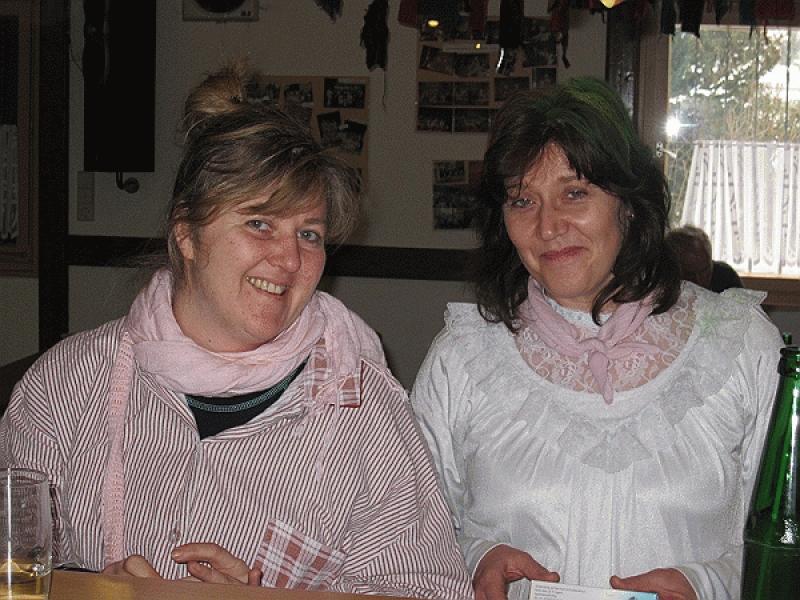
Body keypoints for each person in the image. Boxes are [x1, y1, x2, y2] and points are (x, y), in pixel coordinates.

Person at [0, 62, 472, 599]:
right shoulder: (67, 385)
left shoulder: (362, 410)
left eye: (309, 234)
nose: (290, 260)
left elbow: (427, 589)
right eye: (259, 223)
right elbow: (13, 560)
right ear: (187, 234)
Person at [410, 78, 783, 600]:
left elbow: (786, 541)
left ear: (628, 203)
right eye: (523, 201)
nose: (548, 226)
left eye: (575, 193)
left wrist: (709, 585)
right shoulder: (463, 359)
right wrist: (476, 559)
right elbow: (405, 534)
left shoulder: (740, 346)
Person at [665, 225, 743, 292]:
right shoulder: (664, 285)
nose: (699, 281)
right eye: (690, 275)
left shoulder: (726, 276)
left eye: (705, 271)